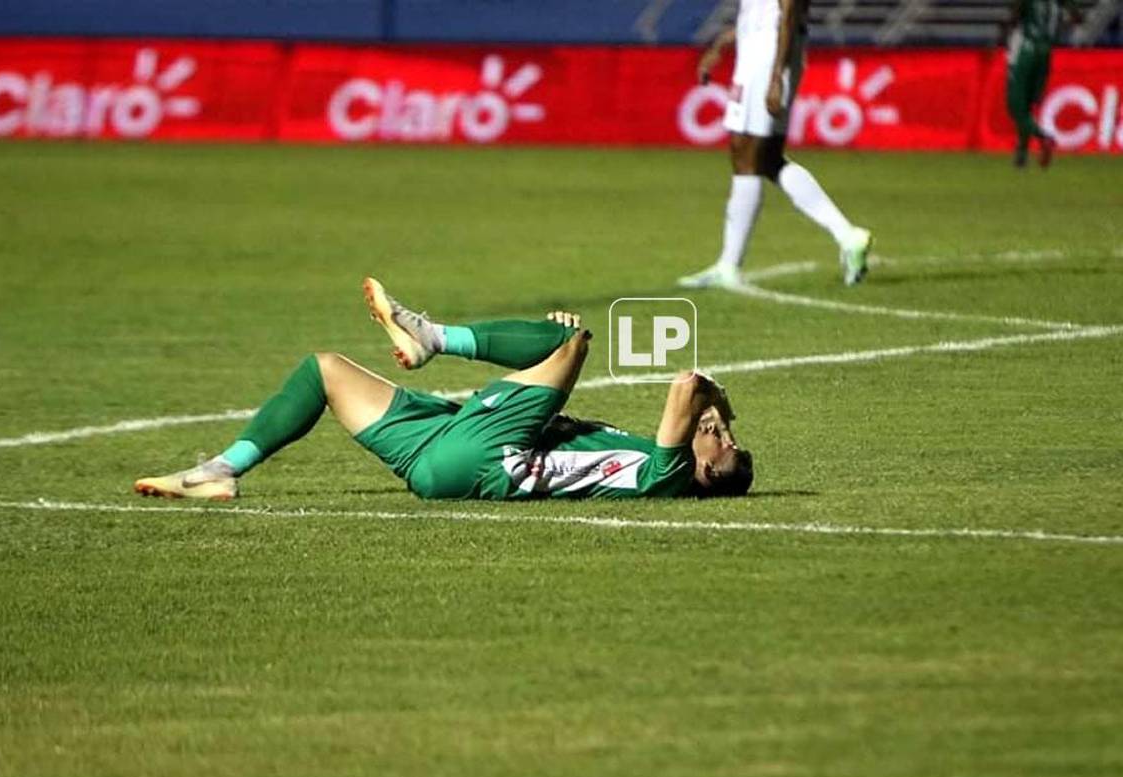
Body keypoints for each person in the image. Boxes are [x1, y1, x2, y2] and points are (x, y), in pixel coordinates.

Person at [135, 279, 753, 502]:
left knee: (573, 342)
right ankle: (220, 469)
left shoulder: (663, 476)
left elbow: (686, 382)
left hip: (486, 461)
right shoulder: (641, 456)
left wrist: (718, 403)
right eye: (722, 431)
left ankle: (433, 337)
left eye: (719, 442)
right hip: (445, 454)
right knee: (323, 370)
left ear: (704, 474)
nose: (714, 431)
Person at [677, 0, 873, 289]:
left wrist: (775, 76)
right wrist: (721, 45)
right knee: (767, 158)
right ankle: (848, 236)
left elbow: (788, 14)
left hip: (767, 60)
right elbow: (758, 17)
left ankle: (729, 266)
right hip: (759, 55)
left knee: (745, 154)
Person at [1002, 0, 1081, 168]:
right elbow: (1078, 17)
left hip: (1026, 49)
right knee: (1028, 105)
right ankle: (1021, 153)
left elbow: (1015, 14)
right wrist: (1058, 25)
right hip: (1046, 52)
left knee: (1015, 105)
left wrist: (1002, 36)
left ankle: (1043, 138)